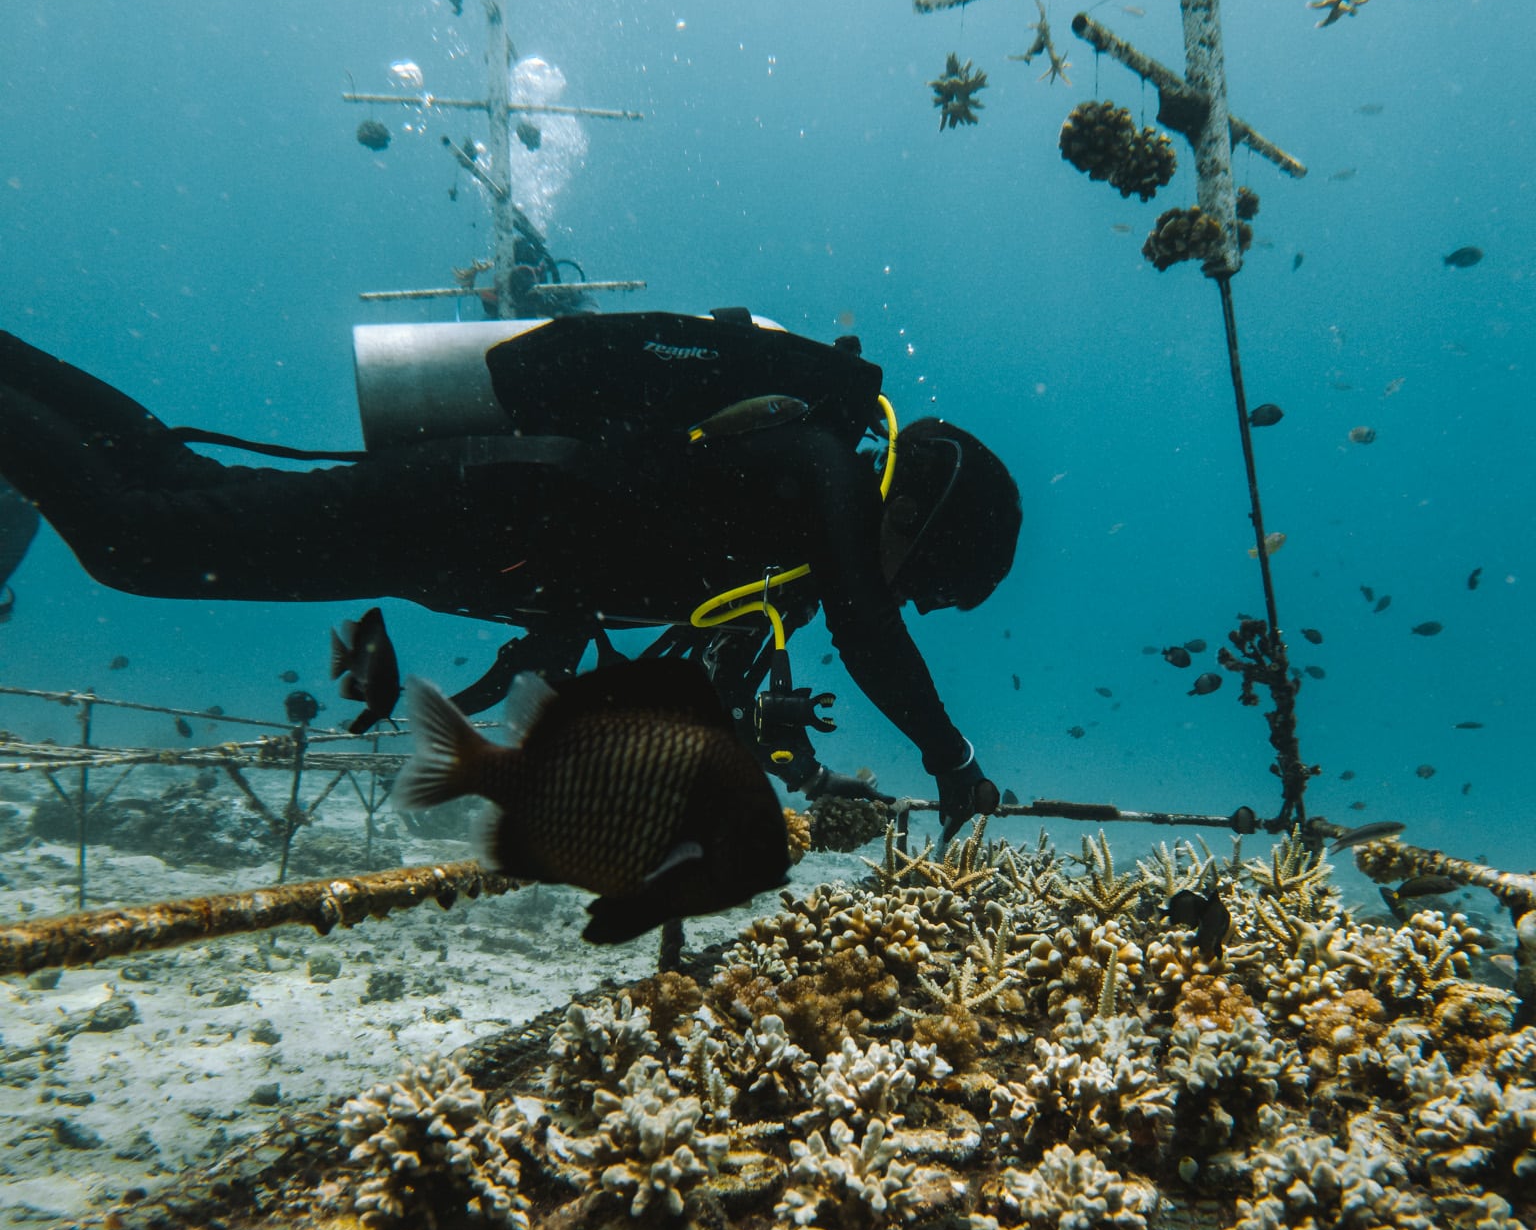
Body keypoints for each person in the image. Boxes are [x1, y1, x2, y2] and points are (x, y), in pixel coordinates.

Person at [0, 310, 1020, 839]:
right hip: (461, 507)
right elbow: (866, 625)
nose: (909, 598)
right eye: (928, 581)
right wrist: (952, 757)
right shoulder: (821, 468)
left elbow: (677, 612)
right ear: (922, 518)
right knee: (139, 541)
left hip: (468, 528)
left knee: (179, 489)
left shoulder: (786, 525)